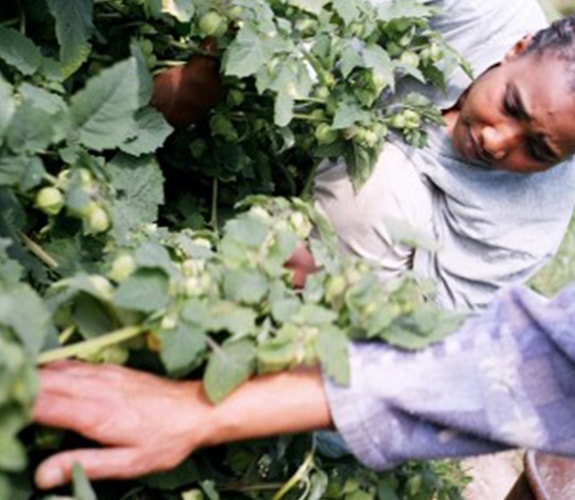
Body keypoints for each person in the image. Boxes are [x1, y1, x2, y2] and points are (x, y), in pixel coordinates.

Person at [31, 0, 575, 492]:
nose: (498, 139)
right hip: (328, 160)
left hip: (377, 291)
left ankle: (273, 392)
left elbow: (437, 345)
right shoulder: (485, 12)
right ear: (517, 47)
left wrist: (329, 286)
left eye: (538, 150)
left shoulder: (532, 222)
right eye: (510, 105)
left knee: (372, 189)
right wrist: (199, 79)